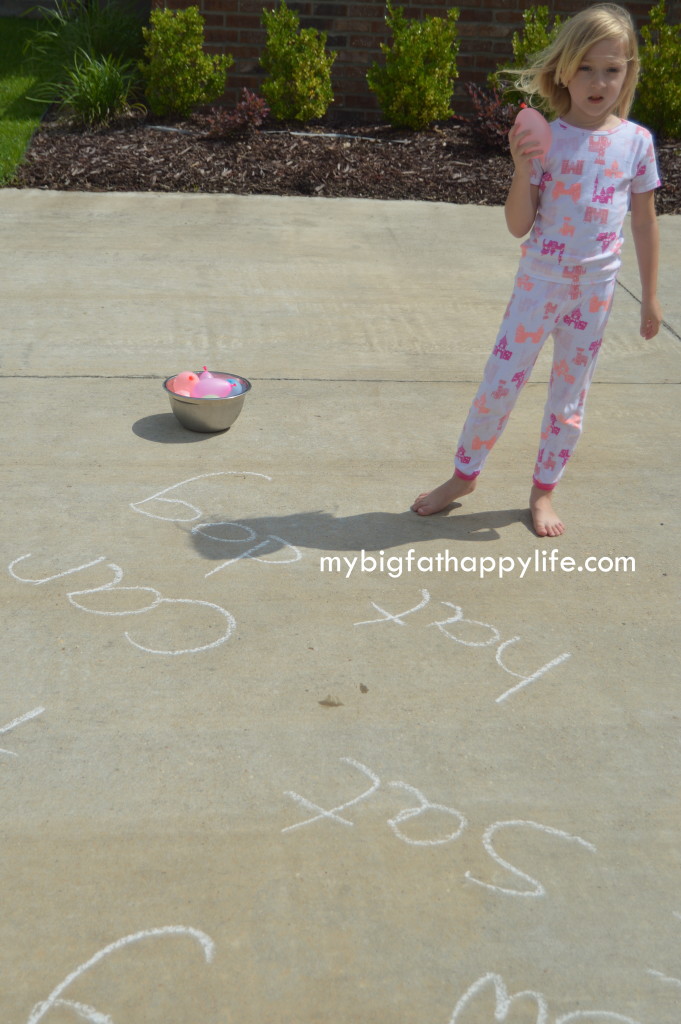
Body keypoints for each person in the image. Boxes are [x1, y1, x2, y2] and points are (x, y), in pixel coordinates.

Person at [412, 3, 662, 536]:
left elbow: (644, 223)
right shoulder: (545, 138)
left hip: (594, 293)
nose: (599, 82)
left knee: (570, 396)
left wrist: (652, 295)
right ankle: (464, 474)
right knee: (499, 383)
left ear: (629, 71)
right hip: (539, 286)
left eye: (612, 69)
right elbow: (518, 226)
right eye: (587, 68)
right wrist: (523, 170)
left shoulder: (636, 142)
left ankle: (543, 490)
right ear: (565, 70)